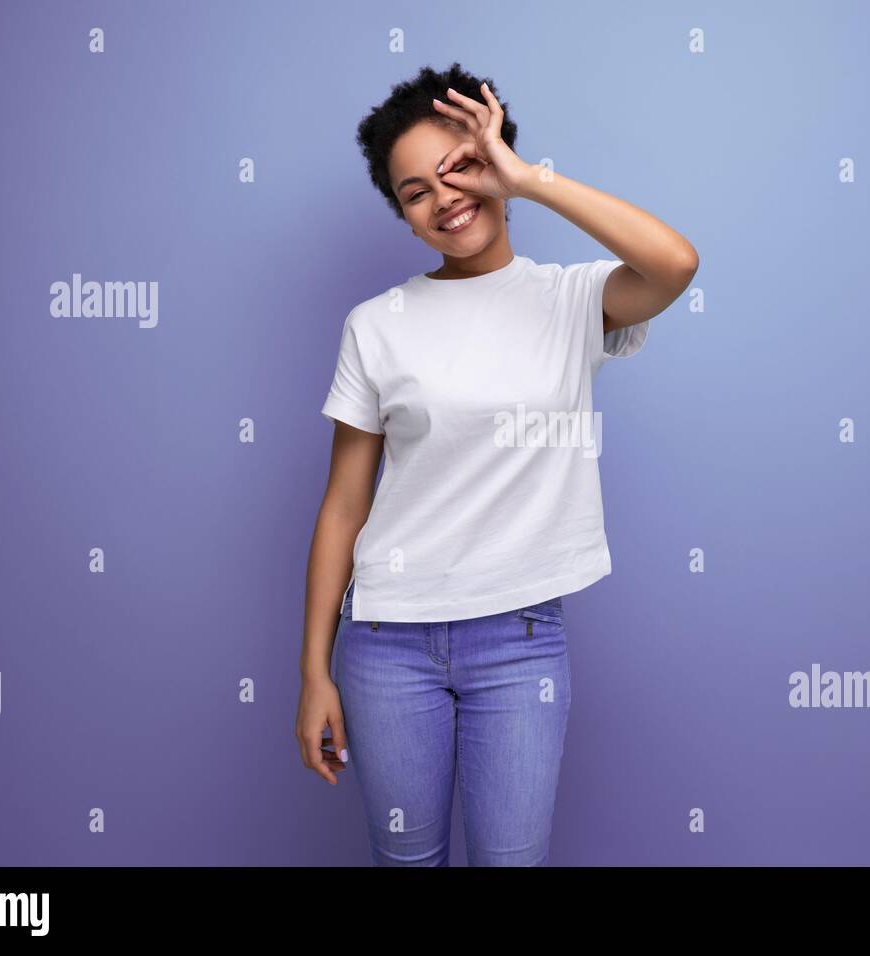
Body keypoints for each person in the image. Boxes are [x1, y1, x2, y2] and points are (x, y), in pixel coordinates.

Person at [295, 62, 698, 865]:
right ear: (405, 220)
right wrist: (313, 672)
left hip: (520, 640)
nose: (443, 199)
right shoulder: (378, 326)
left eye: (463, 168)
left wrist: (528, 178)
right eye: (415, 192)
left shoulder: (572, 300)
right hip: (385, 642)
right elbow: (344, 504)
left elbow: (675, 264)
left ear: (500, 165)